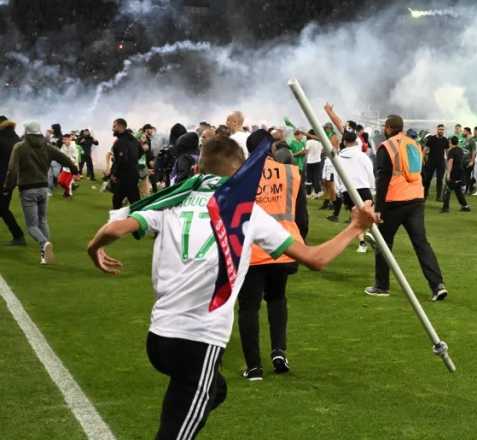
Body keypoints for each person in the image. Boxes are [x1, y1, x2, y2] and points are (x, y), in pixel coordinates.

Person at [86, 135, 377, 439]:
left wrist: (94, 250)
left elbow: (115, 227)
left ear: (200, 166)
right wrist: (355, 227)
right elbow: (316, 259)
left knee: (214, 389)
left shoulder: (174, 199)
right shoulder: (246, 212)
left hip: (159, 339)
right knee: (177, 428)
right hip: (198, 340)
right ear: (239, 173)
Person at [237, 130, 306, 381]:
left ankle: (254, 366)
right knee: (277, 299)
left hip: (251, 251)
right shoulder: (291, 171)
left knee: (248, 307)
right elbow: (301, 215)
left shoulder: (239, 176)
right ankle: (279, 352)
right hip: (284, 246)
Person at [365, 115, 448, 301]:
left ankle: (381, 286)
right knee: (422, 244)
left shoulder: (386, 147)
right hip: (416, 200)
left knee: (384, 243)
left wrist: (378, 208)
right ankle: (437, 285)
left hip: (394, 202)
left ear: (387, 127)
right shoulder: (414, 144)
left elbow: (383, 178)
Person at [4, 121, 79, 264]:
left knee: (32, 226)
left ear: (26, 132)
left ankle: (44, 243)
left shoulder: (19, 147)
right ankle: (45, 254)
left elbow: (12, 170)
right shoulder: (47, 146)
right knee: (43, 220)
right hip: (44, 188)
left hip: (27, 189)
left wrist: (8, 187)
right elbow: (64, 159)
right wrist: (75, 170)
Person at [0, 117, 25, 245]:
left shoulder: (1, 139)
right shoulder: (17, 139)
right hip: (12, 179)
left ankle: (18, 235)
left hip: (2, 178)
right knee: (3, 208)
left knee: (3, 208)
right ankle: (18, 235)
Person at [111, 118, 142, 209]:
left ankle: (116, 220)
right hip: (134, 173)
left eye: (114, 126)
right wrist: (133, 161)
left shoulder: (120, 142)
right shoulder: (134, 139)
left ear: (121, 127)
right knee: (134, 200)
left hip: (125, 175)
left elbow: (122, 160)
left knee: (117, 200)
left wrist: (115, 174)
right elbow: (140, 152)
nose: (112, 129)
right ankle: (139, 219)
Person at [441, 136, 470, 213]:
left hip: (454, 173)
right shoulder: (460, 150)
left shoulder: (451, 151)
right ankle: (465, 206)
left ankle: (445, 208)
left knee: (447, 190)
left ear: (450, 142)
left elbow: (450, 162)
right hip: (461, 173)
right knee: (458, 190)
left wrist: (448, 174)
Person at [422, 124, 448, 201]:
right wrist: (423, 159)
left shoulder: (445, 140)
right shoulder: (431, 139)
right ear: (437, 130)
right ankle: (425, 194)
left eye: (442, 129)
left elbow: (447, 152)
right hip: (431, 161)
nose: (441, 131)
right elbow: (425, 150)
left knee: (440, 179)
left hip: (441, 162)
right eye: (440, 129)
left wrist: (448, 162)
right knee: (427, 179)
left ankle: (438, 196)